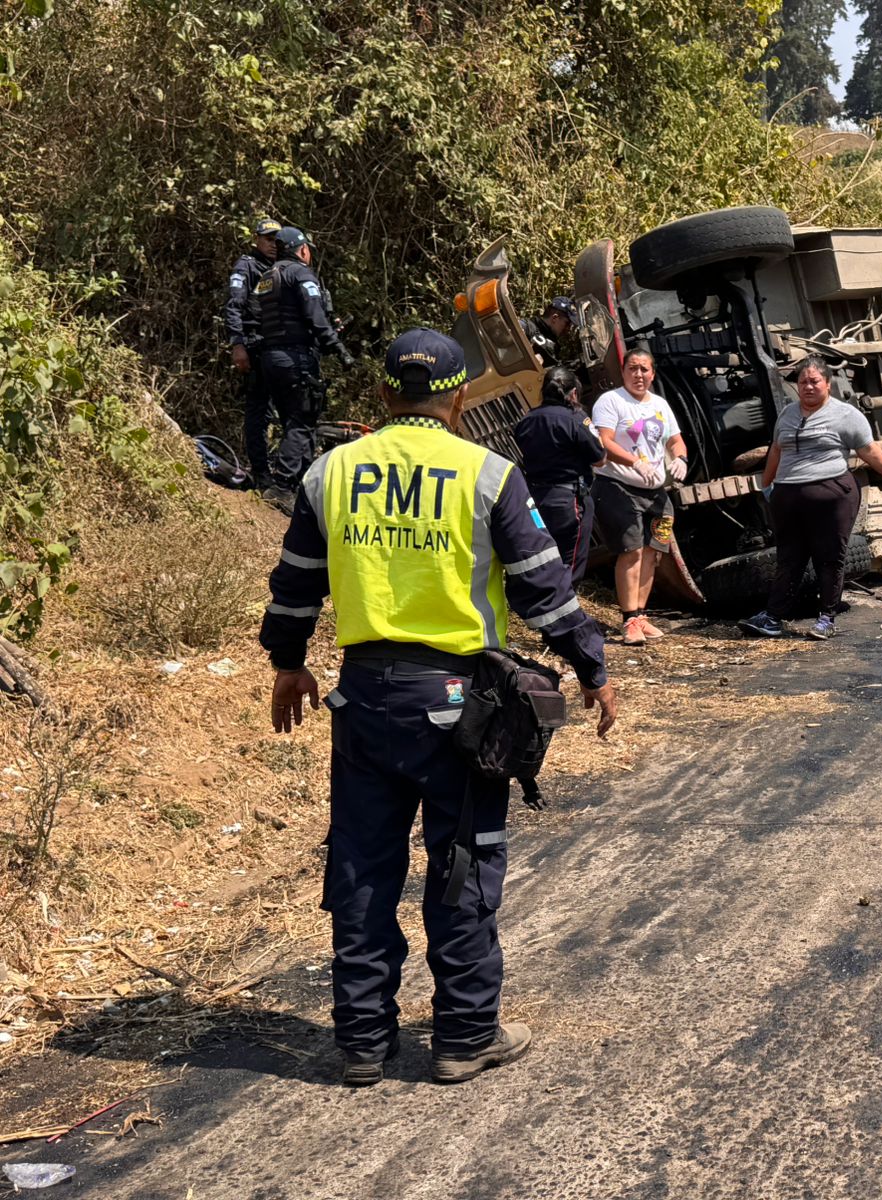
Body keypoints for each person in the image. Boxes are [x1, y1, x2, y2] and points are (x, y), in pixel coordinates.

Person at [260, 328, 618, 1088]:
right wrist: (592, 666)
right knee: (462, 868)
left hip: (364, 699)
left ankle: (361, 1042)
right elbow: (541, 588)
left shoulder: (330, 473)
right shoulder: (487, 473)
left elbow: (295, 583)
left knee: (361, 867)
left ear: (385, 394)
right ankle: (463, 1037)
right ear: (458, 399)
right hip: (460, 709)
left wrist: (288, 664)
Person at [738, 356, 882, 641]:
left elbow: (869, 450)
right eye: (803, 382)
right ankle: (773, 618)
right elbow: (776, 449)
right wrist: (767, 483)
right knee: (789, 558)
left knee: (830, 557)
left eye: (814, 381)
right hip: (788, 497)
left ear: (827, 384)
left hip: (832, 495)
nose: (807, 387)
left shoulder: (845, 415)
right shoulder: (787, 414)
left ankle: (826, 619)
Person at [589, 347, 688, 646]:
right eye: (633, 368)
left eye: (644, 369)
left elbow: (675, 439)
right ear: (623, 372)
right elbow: (604, 442)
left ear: (653, 373)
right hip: (619, 487)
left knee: (655, 550)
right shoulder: (611, 401)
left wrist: (680, 458)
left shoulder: (659, 404)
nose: (639, 374)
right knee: (630, 551)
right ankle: (628, 618)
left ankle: (641, 615)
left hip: (656, 492)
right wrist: (635, 462)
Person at [254, 227, 355, 509]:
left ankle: (304, 485)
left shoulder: (267, 277)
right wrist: (339, 349)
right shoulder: (300, 273)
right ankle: (282, 486)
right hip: (295, 358)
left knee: (293, 422)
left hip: (271, 358)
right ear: (302, 250)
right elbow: (315, 317)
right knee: (302, 421)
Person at [512, 367, 605, 584]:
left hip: (535, 498)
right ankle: (566, 608)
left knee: (542, 557)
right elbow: (600, 458)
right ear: (573, 393)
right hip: (569, 500)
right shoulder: (576, 418)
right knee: (570, 561)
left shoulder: (527, 419)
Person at [224, 219, 280, 486]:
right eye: (268, 239)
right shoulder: (246, 266)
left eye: (277, 240)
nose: (273, 245)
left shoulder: (281, 268)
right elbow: (233, 306)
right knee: (259, 411)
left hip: (277, 348)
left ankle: (275, 470)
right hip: (254, 346)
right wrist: (238, 345)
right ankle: (260, 472)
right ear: (257, 239)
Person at [521, 297, 578, 367]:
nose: (568, 328)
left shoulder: (554, 345)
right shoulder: (527, 327)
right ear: (554, 318)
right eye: (567, 323)